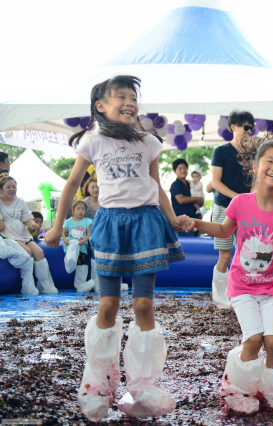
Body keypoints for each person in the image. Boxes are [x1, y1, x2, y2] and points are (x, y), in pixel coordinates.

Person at [44, 75, 191, 422]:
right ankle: (98, 386)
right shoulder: (93, 142)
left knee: (143, 304)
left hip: (146, 225)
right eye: (121, 96)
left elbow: (157, 186)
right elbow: (70, 186)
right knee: (108, 305)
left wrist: (173, 219)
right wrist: (55, 224)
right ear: (101, 107)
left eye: (133, 98)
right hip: (109, 225)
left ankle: (142, 388)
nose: (130, 102)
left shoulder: (149, 142)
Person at [184, 136, 273, 414]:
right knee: (253, 338)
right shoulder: (240, 203)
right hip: (242, 285)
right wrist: (195, 222)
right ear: (256, 165)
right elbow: (224, 231)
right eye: (269, 161)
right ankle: (237, 389)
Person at [208, 110, 254, 309]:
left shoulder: (254, 153)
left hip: (247, 210)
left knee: (247, 254)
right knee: (225, 255)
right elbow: (215, 183)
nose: (249, 131)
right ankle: (220, 298)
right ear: (233, 127)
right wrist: (238, 198)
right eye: (246, 127)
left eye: (251, 127)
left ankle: (242, 294)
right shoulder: (221, 151)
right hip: (224, 208)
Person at [0, 173, 57, 294]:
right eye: (8, 187)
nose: (11, 189)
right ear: (1, 189)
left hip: (22, 233)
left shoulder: (20, 201)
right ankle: (28, 285)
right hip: (7, 234)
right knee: (27, 252)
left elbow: (27, 218)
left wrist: (32, 224)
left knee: (39, 252)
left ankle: (45, 284)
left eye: (14, 187)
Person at [63, 200, 95, 292]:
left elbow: (89, 234)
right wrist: (65, 240)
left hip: (82, 248)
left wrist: (83, 241)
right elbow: (63, 233)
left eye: (83, 209)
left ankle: (80, 284)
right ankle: (79, 284)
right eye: (78, 209)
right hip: (71, 248)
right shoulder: (68, 222)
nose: (81, 211)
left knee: (82, 263)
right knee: (72, 262)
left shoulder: (87, 221)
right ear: (73, 210)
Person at [170, 159, 202, 237]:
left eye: (185, 168)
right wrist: (198, 198)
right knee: (188, 245)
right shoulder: (175, 185)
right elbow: (181, 200)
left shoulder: (191, 184)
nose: (183, 170)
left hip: (196, 219)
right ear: (175, 171)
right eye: (180, 168)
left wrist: (200, 200)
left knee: (197, 244)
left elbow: (200, 201)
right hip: (183, 223)